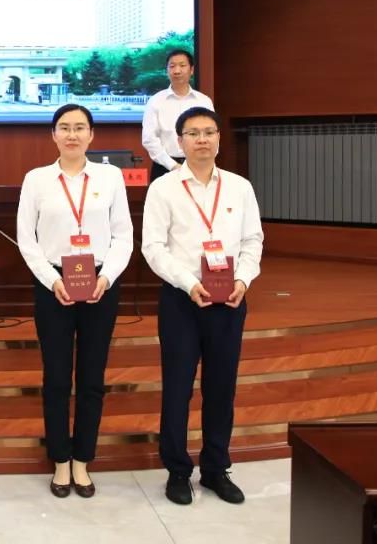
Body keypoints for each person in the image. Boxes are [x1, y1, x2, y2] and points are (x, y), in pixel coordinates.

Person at [141, 106, 263, 506]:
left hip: (229, 299)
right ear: (180, 141)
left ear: (219, 139)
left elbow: (253, 240)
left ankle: (215, 468)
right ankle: (177, 470)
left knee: (221, 387)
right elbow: (153, 247)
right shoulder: (164, 189)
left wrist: (244, 279)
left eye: (209, 132)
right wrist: (189, 282)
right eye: (193, 133)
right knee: (177, 388)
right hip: (182, 299)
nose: (202, 140)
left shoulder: (239, 187)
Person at [16, 104, 133, 498]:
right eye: (64, 127)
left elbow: (123, 235)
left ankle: (83, 460)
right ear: (53, 135)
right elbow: (27, 239)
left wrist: (107, 277)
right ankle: (60, 460)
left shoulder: (110, 177)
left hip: (100, 284)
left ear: (91, 134)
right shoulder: (36, 179)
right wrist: (51, 280)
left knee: (92, 378)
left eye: (79, 127)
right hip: (53, 285)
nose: (72, 134)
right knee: (56, 378)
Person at [141, 49, 214, 182]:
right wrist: (172, 165)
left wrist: (204, 161)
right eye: (172, 66)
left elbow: (213, 134)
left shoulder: (204, 101)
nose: (177, 71)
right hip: (164, 167)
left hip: (198, 166)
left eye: (182, 65)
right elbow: (149, 139)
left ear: (191, 70)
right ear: (167, 70)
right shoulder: (155, 101)